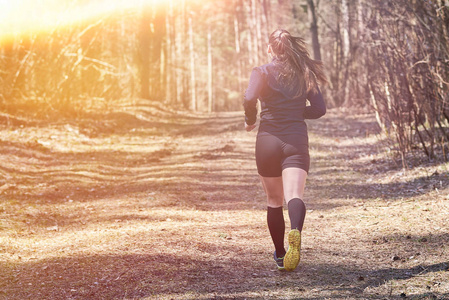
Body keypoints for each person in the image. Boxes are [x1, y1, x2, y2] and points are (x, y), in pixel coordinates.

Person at [243, 29, 327, 271]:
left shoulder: (261, 72)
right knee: (294, 196)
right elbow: (320, 109)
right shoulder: (304, 73)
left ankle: (280, 254)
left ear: (270, 49)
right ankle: (296, 233)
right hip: (296, 140)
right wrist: (297, 112)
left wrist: (251, 119)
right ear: (291, 49)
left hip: (267, 140)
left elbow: (249, 97)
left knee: (273, 200)